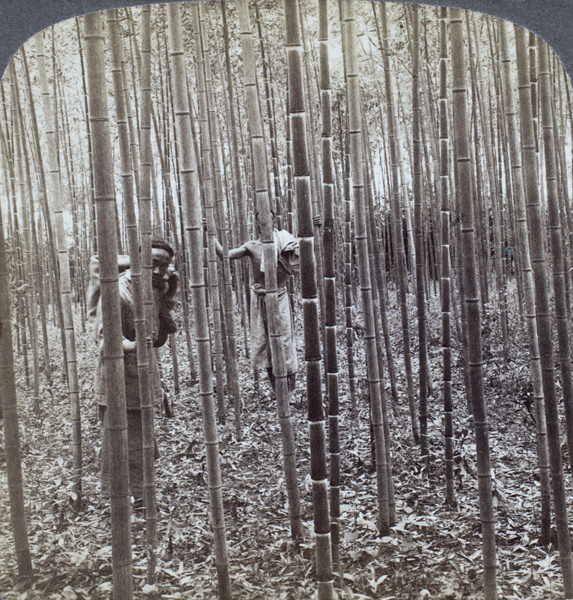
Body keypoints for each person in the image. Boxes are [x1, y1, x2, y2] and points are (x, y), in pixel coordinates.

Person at [88, 237, 179, 500]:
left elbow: (161, 337)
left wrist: (168, 293)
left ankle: (140, 497)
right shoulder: (117, 291)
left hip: (143, 376)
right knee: (120, 443)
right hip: (118, 379)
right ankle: (120, 501)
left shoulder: (152, 289)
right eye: (153, 264)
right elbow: (105, 341)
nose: (160, 271)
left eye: (166, 266)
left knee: (141, 442)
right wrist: (133, 346)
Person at [216, 229, 299, 392]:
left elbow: (306, 252)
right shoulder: (251, 246)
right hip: (259, 297)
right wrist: (209, 232)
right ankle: (277, 389)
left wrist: (317, 228)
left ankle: (291, 389)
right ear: (257, 224)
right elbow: (224, 254)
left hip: (280, 295)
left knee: (285, 340)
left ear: (273, 222)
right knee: (263, 341)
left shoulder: (284, 242)